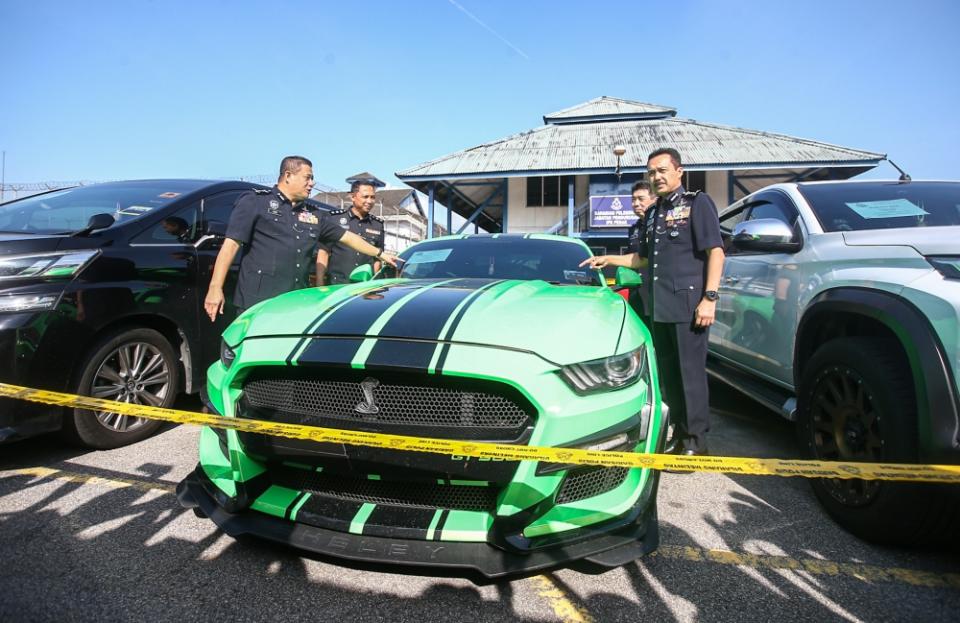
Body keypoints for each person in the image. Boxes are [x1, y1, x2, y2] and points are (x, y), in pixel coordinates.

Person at [581, 148, 725, 457]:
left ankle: (696, 442)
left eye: (662, 170)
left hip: (690, 307)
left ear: (678, 172)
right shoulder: (655, 213)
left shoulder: (697, 203)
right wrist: (607, 258)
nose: (656, 177)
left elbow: (716, 251)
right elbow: (641, 259)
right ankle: (679, 433)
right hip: (660, 308)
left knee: (691, 376)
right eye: (652, 172)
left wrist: (710, 298)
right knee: (669, 376)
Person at [204, 156, 398, 320]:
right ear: (288, 176)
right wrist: (215, 288)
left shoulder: (314, 215)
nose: (311, 183)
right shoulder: (255, 202)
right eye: (308, 177)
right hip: (257, 304)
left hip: (296, 304)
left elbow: (348, 237)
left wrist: (380, 253)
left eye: (312, 178)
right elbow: (230, 246)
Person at [316, 180, 385, 285]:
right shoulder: (334, 219)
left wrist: (374, 284)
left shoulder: (377, 224)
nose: (370, 201)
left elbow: (377, 260)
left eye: (373, 197)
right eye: (365, 197)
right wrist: (319, 284)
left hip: (364, 287)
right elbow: (323, 253)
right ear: (353, 197)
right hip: (338, 285)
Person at [627, 181, 657, 325]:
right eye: (633, 199)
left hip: (657, 295)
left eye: (641, 199)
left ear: (654, 199)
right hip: (637, 295)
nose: (636, 203)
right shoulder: (634, 229)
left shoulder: (660, 224)